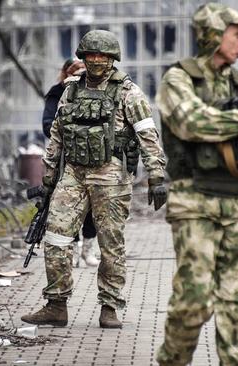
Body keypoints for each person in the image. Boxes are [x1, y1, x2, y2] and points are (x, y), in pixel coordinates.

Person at [155, 4, 238, 366]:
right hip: (194, 201)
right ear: (214, 35)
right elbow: (191, 122)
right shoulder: (178, 79)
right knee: (193, 302)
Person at [21, 30, 167, 329]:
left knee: (111, 245)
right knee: (56, 238)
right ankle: (56, 304)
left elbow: (148, 136)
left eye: (103, 56)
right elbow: (57, 136)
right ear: (83, 57)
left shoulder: (129, 93)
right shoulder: (71, 90)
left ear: (113, 58)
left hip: (111, 178)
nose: (97, 60)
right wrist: (48, 178)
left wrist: (156, 176)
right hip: (73, 175)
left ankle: (110, 306)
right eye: (91, 55)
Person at [42, 59, 99, 267]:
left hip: (94, 159)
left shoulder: (97, 92)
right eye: (75, 71)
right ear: (66, 73)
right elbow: (48, 124)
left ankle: (88, 250)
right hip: (67, 159)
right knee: (68, 208)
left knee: (93, 206)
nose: (80, 75)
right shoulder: (58, 92)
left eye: (83, 70)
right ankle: (73, 250)